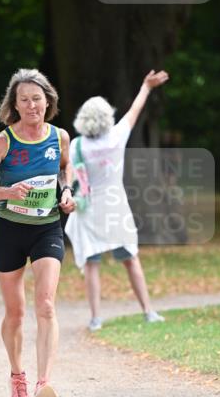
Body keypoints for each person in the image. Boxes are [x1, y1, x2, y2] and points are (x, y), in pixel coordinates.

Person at [0, 68, 76, 397]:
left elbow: (65, 168)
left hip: (47, 227)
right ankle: (18, 376)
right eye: (24, 100)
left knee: (46, 305)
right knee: (16, 313)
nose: (31, 106)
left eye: (37, 99)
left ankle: (44, 384)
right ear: (14, 105)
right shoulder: (5, 141)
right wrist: (7, 191)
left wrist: (68, 190)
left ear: (48, 101)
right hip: (9, 230)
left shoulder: (59, 137)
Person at [64, 70, 169, 331]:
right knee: (130, 258)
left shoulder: (77, 145)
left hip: (88, 209)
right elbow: (135, 110)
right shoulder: (117, 136)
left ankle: (95, 318)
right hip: (116, 206)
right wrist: (146, 86)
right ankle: (148, 311)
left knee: (91, 263)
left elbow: (69, 175)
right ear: (107, 117)